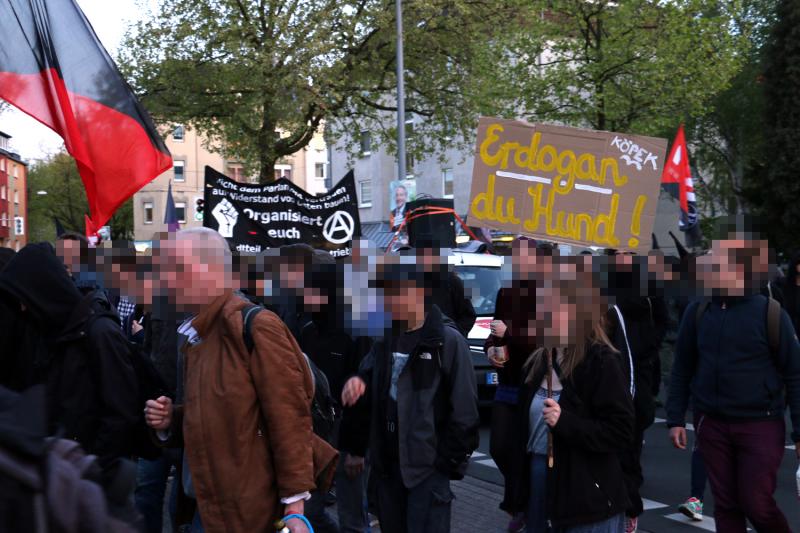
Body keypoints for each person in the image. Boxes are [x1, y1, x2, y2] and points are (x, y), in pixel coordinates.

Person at [144, 228, 337, 533]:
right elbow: (222, 414)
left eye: (177, 268)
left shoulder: (255, 326)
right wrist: (173, 418)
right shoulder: (197, 334)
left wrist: (295, 506)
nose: (167, 279)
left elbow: (289, 418)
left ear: (211, 270)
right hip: (209, 506)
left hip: (250, 513)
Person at [667, 217, 800, 533]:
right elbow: (682, 366)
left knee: (756, 503)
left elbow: (795, 375)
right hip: (712, 423)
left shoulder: (770, 313)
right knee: (726, 506)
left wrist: (799, 433)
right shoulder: (698, 311)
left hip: (760, 423)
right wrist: (675, 418)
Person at [341, 261, 480, 533]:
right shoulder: (385, 338)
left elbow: (465, 413)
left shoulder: (447, 341)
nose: (387, 303)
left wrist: (444, 464)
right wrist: (358, 382)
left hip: (427, 472)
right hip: (388, 469)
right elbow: (367, 379)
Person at [0, 243, 140, 489]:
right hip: (63, 476)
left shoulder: (99, 332)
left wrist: (91, 470)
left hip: (90, 482)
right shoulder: (49, 333)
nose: (22, 308)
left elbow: (121, 414)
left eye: (24, 299)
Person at [517, 271, 634, 532]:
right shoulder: (539, 362)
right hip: (541, 488)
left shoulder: (601, 362)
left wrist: (566, 422)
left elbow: (621, 431)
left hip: (585, 499)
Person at [300, 251, 373, 533]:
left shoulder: (355, 332)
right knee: (310, 512)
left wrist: (357, 450)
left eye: (311, 291)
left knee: (352, 517)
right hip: (315, 435)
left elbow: (364, 393)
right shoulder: (307, 331)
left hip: (347, 434)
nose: (305, 297)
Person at [483, 236, 549, 532]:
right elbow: (495, 331)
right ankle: (521, 498)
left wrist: (509, 332)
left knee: (525, 449)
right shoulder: (505, 292)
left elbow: (543, 337)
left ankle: (523, 505)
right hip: (507, 381)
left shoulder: (546, 292)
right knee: (499, 447)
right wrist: (491, 348)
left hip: (533, 382)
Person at [604, 250, 669, 532]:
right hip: (610, 365)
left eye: (628, 253)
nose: (623, 258)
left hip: (639, 369)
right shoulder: (603, 281)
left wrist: (647, 347)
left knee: (631, 438)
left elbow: (663, 320)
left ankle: (630, 506)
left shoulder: (648, 283)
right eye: (618, 253)